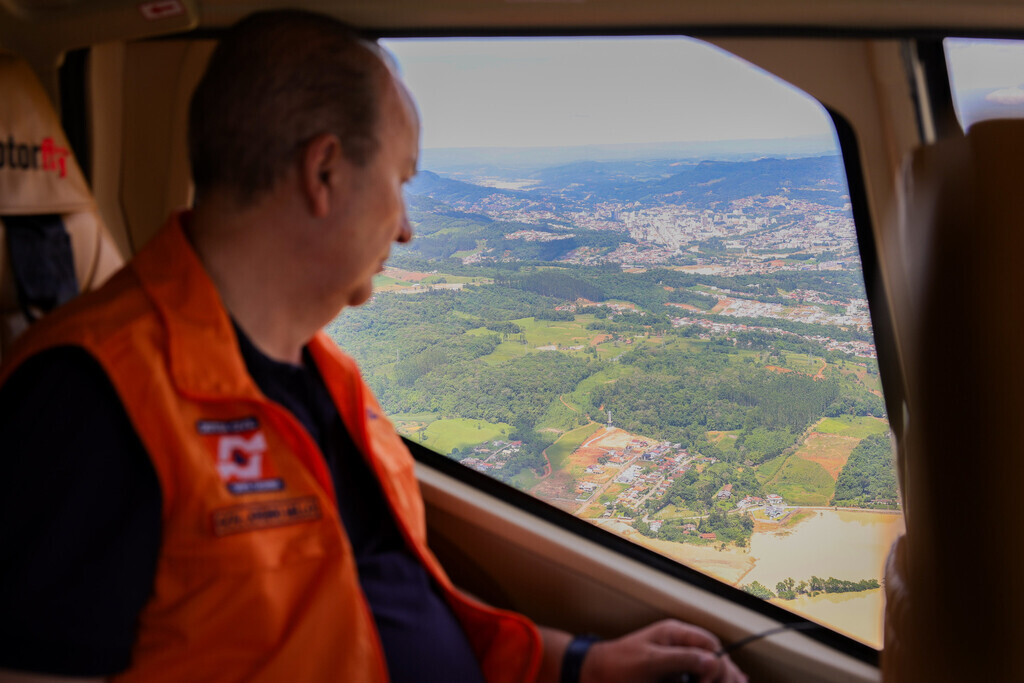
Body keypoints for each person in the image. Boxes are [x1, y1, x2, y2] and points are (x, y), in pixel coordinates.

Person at [0, 11, 746, 683]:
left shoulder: (329, 382)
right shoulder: (89, 403)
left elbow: (386, 605)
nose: (407, 227)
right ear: (324, 172)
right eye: (402, 179)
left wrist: (583, 664)